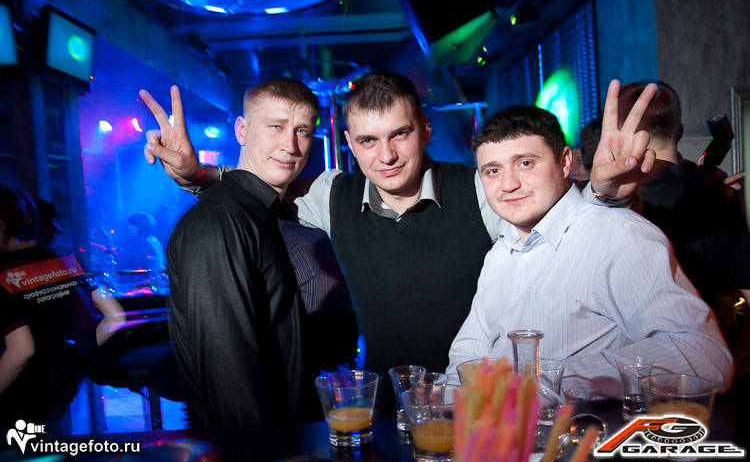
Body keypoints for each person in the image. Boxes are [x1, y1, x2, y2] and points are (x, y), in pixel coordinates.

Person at [142, 73, 657, 403]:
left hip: (479, 406)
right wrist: (196, 174)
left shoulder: (480, 189)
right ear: (349, 143)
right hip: (386, 407)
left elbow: (565, 233)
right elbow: (264, 184)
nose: (385, 156)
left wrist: (606, 195)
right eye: (368, 140)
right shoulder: (333, 196)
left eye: (400, 135)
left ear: (425, 130)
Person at [445, 105, 733, 399]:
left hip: (575, 426)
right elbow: (466, 356)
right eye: (493, 171)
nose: (508, 184)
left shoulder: (616, 235)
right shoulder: (500, 252)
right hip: (495, 425)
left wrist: (551, 382)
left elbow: (703, 357)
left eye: (526, 163)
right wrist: (449, 406)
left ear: (565, 161)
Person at [139, 78, 319, 428]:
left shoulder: (258, 211)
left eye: (302, 131)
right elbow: (230, 382)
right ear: (242, 130)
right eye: (276, 127)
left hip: (285, 436)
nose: (290, 146)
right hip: (257, 445)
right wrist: (262, 450)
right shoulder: (220, 220)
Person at [618, 81, 750, 342]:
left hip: (632, 358)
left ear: (623, 133)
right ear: (679, 131)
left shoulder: (608, 203)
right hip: (709, 352)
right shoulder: (718, 200)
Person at [0, 185, 124, 430]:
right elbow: (116, 316)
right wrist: (74, 359)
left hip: (13, 401)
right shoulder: (65, 262)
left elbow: (21, 350)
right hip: (57, 394)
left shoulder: (3, 274)